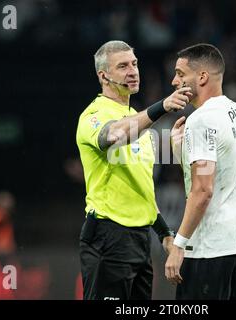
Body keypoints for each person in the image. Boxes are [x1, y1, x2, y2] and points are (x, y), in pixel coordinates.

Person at [76, 40, 193, 300]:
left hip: (141, 241)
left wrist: (164, 233)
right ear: (103, 75)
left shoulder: (138, 121)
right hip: (108, 236)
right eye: (123, 66)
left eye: (135, 63)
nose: (132, 71)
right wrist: (161, 107)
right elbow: (115, 135)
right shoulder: (93, 115)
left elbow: (142, 189)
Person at [165, 43, 236, 300]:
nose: (174, 81)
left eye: (180, 73)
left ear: (202, 77)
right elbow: (220, 174)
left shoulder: (201, 120)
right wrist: (181, 151)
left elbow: (203, 190)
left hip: (212, 251)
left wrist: (179, 245)